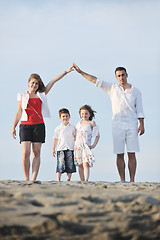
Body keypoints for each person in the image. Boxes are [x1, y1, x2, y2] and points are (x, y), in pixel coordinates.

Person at [73, 63, 145, 182]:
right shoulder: (112, 88)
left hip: (132, 124)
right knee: (119, 153)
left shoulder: (135, 91)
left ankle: (132, 181)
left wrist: (141, 124)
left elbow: (140, 110)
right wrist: (81, 72)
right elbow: (95, 80)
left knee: (132, 153)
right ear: (116, 77)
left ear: (127, 75)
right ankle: (122, 180)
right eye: (119, 76)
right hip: (117, 125)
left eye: (123, 75)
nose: (121, 78)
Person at [12, 66, 74, 181]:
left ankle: (33, 178)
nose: (34, 85)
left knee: (36, 152)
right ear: (28, 83)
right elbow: (19, 111)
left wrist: (65, 72)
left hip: (39, 126)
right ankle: (26, 178)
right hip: (25, 126)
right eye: (32, 83)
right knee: (26, 153)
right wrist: (14, 126)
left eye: (36, 83)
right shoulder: (22, 95)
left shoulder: (41, 94)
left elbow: (53, 81)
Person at [74, 105, 100, 181]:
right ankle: (82, 180)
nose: (84, 115)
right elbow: (75, 135)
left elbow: (97, 135)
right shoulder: (78, 124)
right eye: (82, 114)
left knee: (86, 163)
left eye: (86, 113)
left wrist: (94, 145)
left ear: (89, 114)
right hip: (78, 146)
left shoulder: (91, 123)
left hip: (86, 146)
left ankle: (86, 180)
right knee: (80, 164)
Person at [52, 108, 76, 181]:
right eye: (63, 116)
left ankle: (68, 179)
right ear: (60, 118)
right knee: (60, 164)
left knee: (70, 164)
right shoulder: (58, 128)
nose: (65, 118)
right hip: (60, 148)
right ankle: (58, 179)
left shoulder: (73, 128)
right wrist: (53, 148)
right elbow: (55, 139)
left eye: (66, 116)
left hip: (70, 148)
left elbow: (75, 137)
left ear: (69, 117)